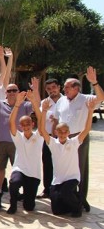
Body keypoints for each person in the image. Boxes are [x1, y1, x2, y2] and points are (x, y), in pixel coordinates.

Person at [54, 67, 104, 212]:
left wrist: (94, 83)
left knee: (80, 168)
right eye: (64, 87)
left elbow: (101, 98)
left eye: (67, 87)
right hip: (62, 139)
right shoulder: (61, 101)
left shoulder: (86, 99)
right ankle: (67, 199)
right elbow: (56, 119)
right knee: (64, 168)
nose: (64, 89)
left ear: (76, 88)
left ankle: (81, 200)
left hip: (79, 137)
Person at [40, 97, 97, 217]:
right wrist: (44, 111)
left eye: (65, 131)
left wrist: (90, 111)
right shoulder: (52, 143)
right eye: (60, 131)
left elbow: (86, 129)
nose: (62, 134)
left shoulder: (74, 142)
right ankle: (78, 198)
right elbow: (42, 130)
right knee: (57, 211)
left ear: (69, 132)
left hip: (72, 178)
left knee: (66, 193)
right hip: (58, 180)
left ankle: (78, 208)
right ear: (56, 132)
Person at [7, 90, 43, 215]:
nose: (26, 126)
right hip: (20, 169)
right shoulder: (18, 137)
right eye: (23, 124)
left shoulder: (39, 136)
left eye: (28, 123)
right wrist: (17, 104)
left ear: (32, 124)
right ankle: (13, 205)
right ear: (20, 126)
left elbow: (41, 120)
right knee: (14, 182)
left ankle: (24, 197)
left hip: (33, 174)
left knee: (29, 207)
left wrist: (33, 101)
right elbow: (11, 122)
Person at [38, 78, 63, 199]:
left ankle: (63, 189)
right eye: (48, 89)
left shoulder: (66, 101)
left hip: (64, 139)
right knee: (47, 164)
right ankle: (47, 190)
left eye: (53, 87)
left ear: (59, 87)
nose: (51, 90)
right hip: (48, 138)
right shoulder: (44, 103)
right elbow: (40, 119)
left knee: (64, 164)